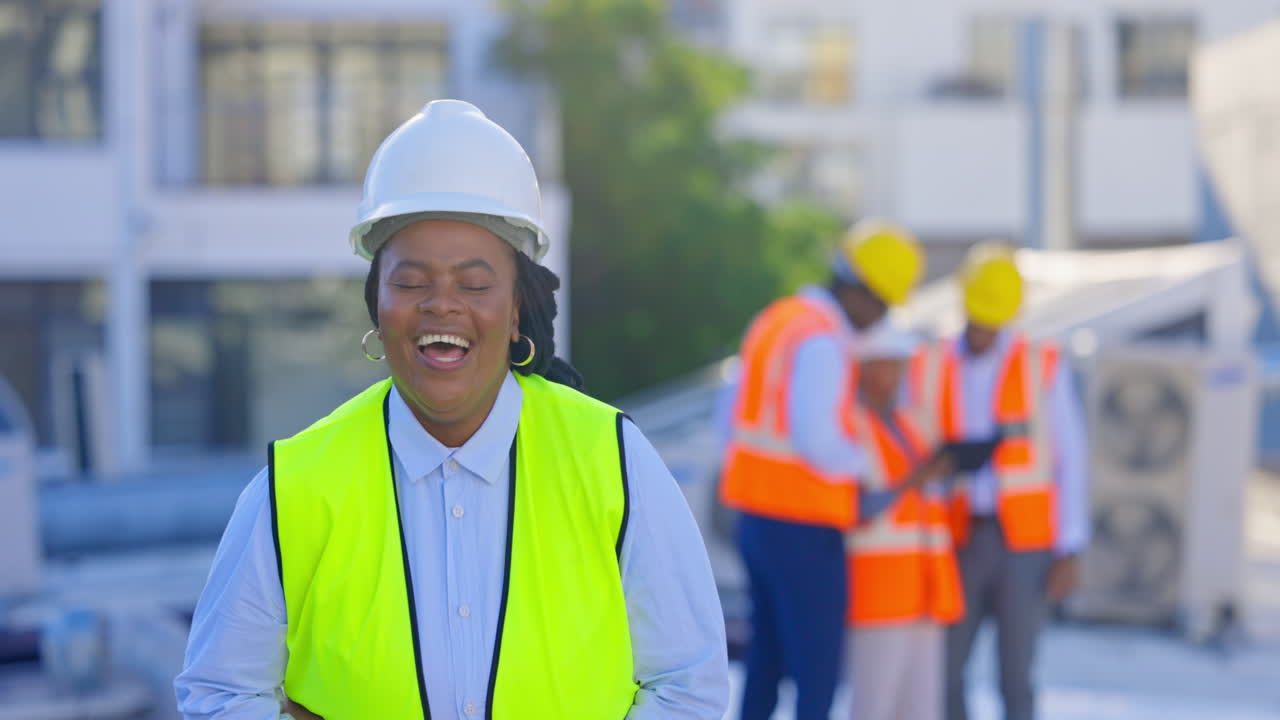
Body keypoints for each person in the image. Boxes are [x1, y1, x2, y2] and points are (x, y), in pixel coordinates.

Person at [174, 100, 729, 720]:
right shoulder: (296, 485)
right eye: (411, 282)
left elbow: (689, 686)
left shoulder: (614, 462)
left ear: (516, 309)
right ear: (377, 307)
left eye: (474, 283)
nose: (442, 304)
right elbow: (217, 693)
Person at [720, 220, 924, 720]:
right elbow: (818, 440)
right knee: (817, 672)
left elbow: (729, 416)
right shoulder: (824, 341)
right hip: (804, 524)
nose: (879, 320)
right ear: (860, 291)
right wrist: (869, 467)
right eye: (882, 305)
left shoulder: (778, 320)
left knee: (765, 662)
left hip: (756, 516)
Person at [907, 243, 1088, 720]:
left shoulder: (1041, 364)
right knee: (946, 674)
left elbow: (1070, 458)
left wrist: (1069, 547)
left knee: (1016, 676)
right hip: (957, 536)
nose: (981, 331)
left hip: (1024, 543)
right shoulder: (931, 363)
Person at [842, 322, 960, 720]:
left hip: (926, 587)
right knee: (874, 707)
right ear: (864, 368)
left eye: (898, 365)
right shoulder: (851, 426)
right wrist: (913, 480)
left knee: (922, 709)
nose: (895, 375)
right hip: (879, 593)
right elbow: (855, 507)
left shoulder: (909, 423)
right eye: (887, 364)